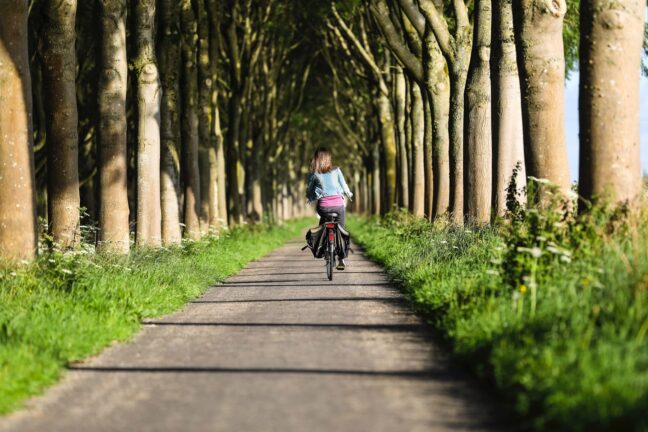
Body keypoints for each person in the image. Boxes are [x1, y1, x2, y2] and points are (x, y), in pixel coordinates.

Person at [306, 147, 353, 270]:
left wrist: (309, 198)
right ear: (328, 159)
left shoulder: (314, 174)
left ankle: (321, 246)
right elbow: (344, 185)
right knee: (341, 230)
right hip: (338, 206)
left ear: (316, 159)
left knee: (323, 223)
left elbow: (310, 190)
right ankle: (341, 258)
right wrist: (349, 194)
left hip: (323, 207)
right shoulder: (337, 170)